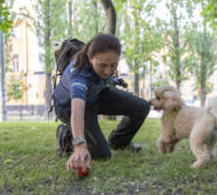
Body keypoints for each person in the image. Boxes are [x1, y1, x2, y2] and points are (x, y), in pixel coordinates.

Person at [52, 33, 150, 172]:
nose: (108, 71)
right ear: (90, 58)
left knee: (141, 107)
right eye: (102, 65)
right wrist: (79, 145)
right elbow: (77, 111)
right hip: (69, 107)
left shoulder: (106, 66)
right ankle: (66, 136)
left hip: (95, 96)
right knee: (102, 155)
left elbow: (107, 73)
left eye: (113, 65)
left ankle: (118, 142)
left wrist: (113, 78)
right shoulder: (79, 76)